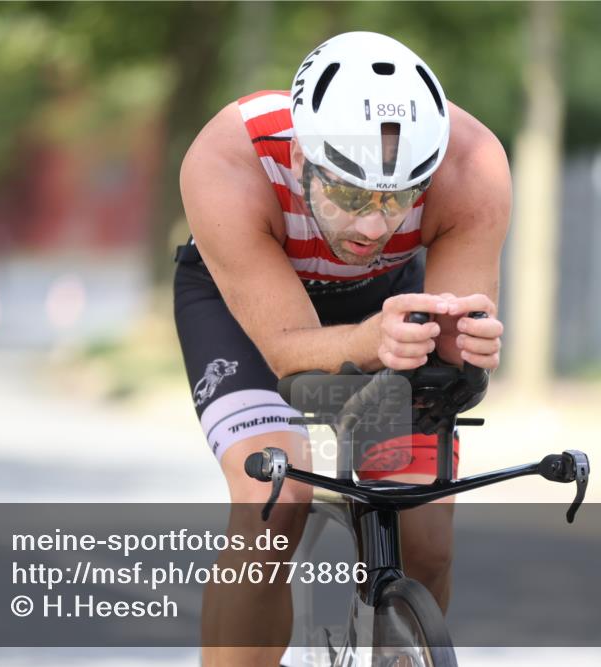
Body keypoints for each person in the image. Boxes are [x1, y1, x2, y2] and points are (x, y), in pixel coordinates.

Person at [174, 31, 510, 667]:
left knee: (424, 537)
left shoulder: (470, 163)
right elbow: (286, 350)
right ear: (302, 154)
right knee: (274, 503)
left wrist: (465, 345)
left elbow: (453, 345)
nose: (374, 225)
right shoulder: (229, 158)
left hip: (387, 300)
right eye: (351, 195)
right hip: (247, 309)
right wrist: (370, 339)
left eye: (400, 198)